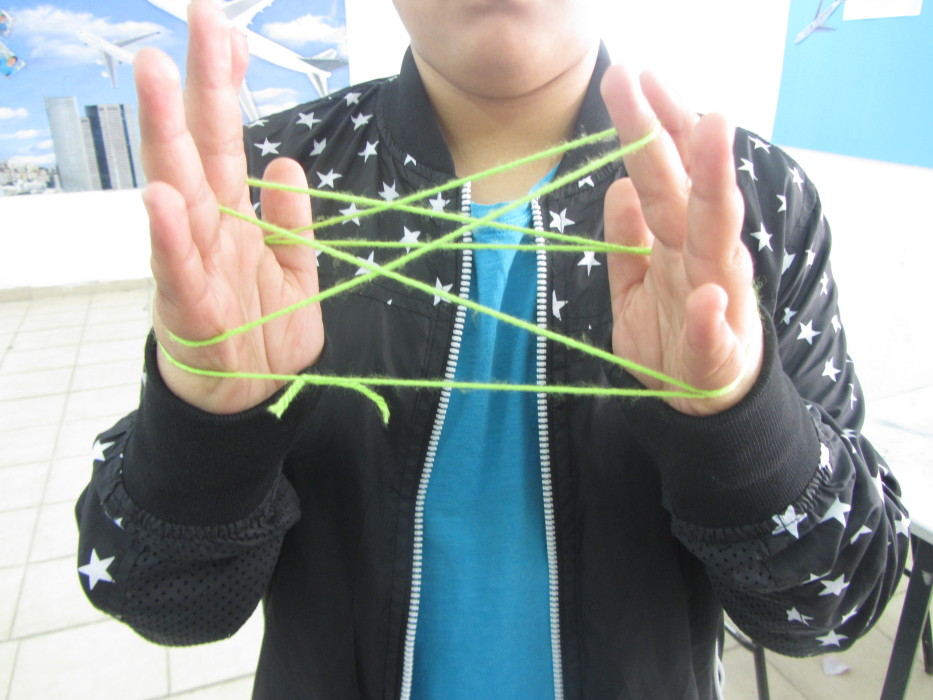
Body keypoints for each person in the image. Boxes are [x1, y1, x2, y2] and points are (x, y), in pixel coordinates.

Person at [76, 0, 909, 697]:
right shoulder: (272, 187)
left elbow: (831, 608)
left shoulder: (741, 198)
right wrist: (208, 426)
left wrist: (736, 421)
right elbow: (159, 597)